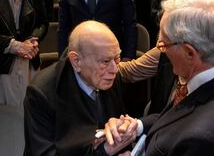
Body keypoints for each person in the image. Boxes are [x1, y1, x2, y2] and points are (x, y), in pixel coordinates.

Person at [106, 0, 214, 156]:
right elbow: (177, 117)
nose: (162, 50)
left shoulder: (205, 140)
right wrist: (136, 126)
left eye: (164, 45)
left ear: (190, 53)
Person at [24, 20, 136, 156]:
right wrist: (104, 152)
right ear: (76, 61)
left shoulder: (110, 75)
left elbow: (117, 130)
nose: (114, 68)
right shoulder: (42, 92)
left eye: (117, 58)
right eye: (105, 61)